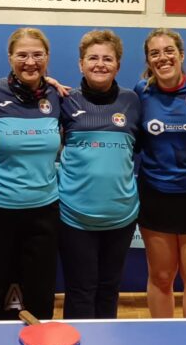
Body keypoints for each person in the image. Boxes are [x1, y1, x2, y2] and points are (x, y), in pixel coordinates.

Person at [0, 27, 61, 321]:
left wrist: (50, 83)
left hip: (44, 212)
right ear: (10, 58)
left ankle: (40, 342)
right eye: (22, 55)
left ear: (47, 57)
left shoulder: (58, 96)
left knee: (40, 294)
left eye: (37, 55)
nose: (30, 62)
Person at [135, 28, 186, 318]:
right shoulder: (141, 93)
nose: (163, 57)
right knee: (161, 276)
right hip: (156, 193)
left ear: (181, 55)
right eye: (155, 53)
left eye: (169, 50)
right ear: (148, 60)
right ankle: (162, 340)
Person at [58, 29, 141, 319]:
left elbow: (138, 146)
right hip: (75, 217)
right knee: (80, 290)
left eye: (108, 59)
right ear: (81, 64)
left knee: (109, 289)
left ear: (118, 65)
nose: (100, 64)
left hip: (121, 216)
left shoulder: (132, 101)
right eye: (93, 58)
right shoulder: (64, 99)